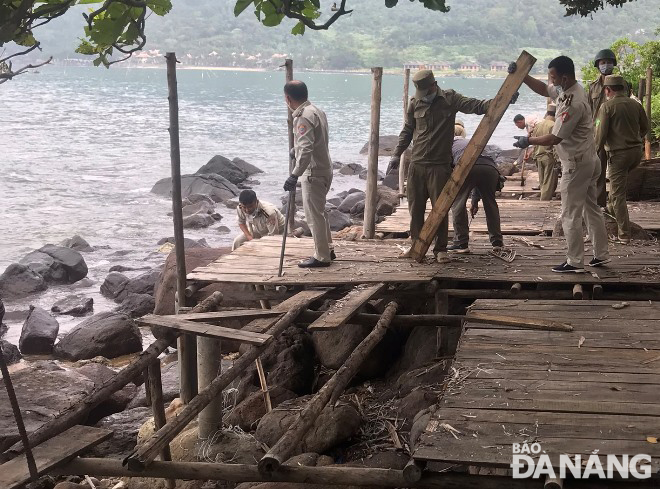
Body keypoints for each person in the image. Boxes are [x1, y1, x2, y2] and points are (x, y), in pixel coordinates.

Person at [389, 69, 516, 262]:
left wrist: (503, 101)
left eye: (426, 91)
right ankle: (416, 246)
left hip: (440, 166)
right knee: (415, 209)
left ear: (434, 85)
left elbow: (478, 106)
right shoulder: (415, 103)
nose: (424, 96)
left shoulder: (450, 98)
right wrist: (396, 154)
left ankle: (440, 250)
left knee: (440, 209)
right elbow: (407, 130)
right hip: (417, 164)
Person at [510, 55, 609, 273]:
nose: (550, 81)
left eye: (553, 77)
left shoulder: (573, 103)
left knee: (570, 213)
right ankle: (601, 254)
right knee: (592, 208)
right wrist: (523, 76)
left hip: (576, 164)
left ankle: (574, 262)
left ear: (564, 77)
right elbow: (544, 90)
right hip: (589, 160)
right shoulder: (570, 90)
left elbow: (555, 138)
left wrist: (529, 140)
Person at [283, 80, 335, 267]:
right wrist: (294, 150)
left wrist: (294, 174)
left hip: (313, 172)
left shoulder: (303, 117)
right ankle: (328, 248)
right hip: (325, 168)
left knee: (313, 216)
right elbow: (313, 142)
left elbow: (306, 149)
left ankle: (322, 256)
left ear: (288, 98)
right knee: (320, 213)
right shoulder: (316, 111)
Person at [594, 74, 649, 244]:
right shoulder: (635, 104)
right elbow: (645, 128)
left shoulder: (607, 107)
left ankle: (624, 234)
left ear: (607, 90)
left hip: (619, 155)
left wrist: (594, 152)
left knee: (618, 195)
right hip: (636, 153)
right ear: (623, 88)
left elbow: (601, 135)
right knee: (617, 189)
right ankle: (611, 210)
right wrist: (634, 139)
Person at [448, 129, 504, 253]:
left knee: (458, 203)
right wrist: (474, 201)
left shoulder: (449, 145)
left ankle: (461, 243)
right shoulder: (469, 141)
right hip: (490, 168)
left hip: (468, 166)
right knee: (490, 203)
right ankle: (497, 242)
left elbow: (450, 167)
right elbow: (479, 177)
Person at [588, 49, 629, 207]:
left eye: (609, 62)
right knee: (598, 171)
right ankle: (600, 206)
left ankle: (615, 206)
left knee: (617, 173)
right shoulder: (593, 87)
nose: (606, 65)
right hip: (598, 133)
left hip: (617, 133)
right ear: (597, 65)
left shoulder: (622, 84)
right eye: (602, 62)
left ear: (614, 64)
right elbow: (588, 110)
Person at [530, 107, 559, 200]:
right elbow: (555, 145)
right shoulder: (554, 125)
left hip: (538, 156)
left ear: (547, 114)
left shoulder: (538, 125)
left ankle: (543, 198)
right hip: (548, 157)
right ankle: (544, 203)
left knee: (543, 182)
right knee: (548, 183)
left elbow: (533, 142)